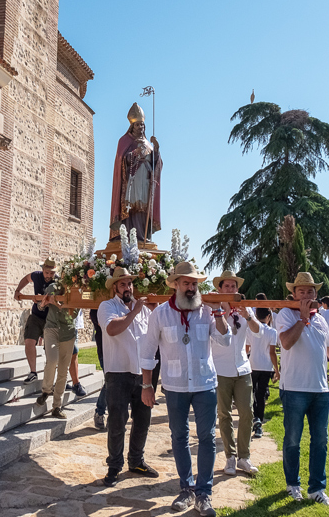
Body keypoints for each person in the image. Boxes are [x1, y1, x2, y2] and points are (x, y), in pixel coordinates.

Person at [140, 262, 231, 517]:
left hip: (204, 385)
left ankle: (204, 494)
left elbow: (225, 339)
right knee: (179, 438)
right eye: (186, 283)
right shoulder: (160, 313)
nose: (191, 288)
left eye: (194, 284)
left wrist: (220, 314)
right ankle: (186, 489)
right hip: (175, 386)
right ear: (176, 285)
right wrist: (146, 385)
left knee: (207, 439)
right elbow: (147, 352)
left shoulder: (207, 312)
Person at [277, 272, 329, 507]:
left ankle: (317, 488)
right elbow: (286, 343)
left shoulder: (321, 319)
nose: (306, 295)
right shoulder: (285, 314)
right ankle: (293, 485)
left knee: (320, 440)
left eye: (310, 291)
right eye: (301, 291)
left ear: (316, 294)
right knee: (293, 440)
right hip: (294, 388)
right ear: (293, 294)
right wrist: (302, 318)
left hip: (320, 389)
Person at [97, 267, 158, 486]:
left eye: (130, 283)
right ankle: (114, 467)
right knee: (117, 422)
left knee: (142, 421)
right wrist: (134, 311)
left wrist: (156, 310)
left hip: (141, 373)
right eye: (122, 284)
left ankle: (136, 461)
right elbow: (113, 329)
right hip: (118, 373)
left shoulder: (143, 309)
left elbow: (156, 332)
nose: (127, 287)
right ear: (115, 288)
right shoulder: (107, 306)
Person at [207, 271, 260, 477]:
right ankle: (230, 456)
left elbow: (256, 330)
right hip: (220, 369)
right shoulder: (211, 310)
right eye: (227, 286)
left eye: (233, 286)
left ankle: (244, 457)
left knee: (247, 412)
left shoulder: (244, 310)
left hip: (243, 367)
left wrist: (247, 315)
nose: (231, 290)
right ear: (219, 289)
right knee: (224, 414)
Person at [109, 103, 162, 242]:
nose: (141, 127)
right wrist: (134, 154)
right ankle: (127, 237)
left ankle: (142, 236)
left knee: (143, 208)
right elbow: (121, 161)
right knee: (131, 208)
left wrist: (156, 150)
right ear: (132, 126)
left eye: (142, 125)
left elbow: (156, 163)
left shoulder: (147, 143)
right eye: (138, 125)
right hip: (131, 181)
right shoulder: (124, 140)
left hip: (144, 180)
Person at [34, 280, 77, 418]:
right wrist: (43, 304)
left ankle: (57, 406)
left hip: (68, 332)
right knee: (52, 360)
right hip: (51, 328)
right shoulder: (52, 287)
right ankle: (46, 391)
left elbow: (73, 314)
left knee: (63, 370)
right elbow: (40, 308)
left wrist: (56, 304)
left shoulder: (77, 292)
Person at [14, 259, 58, 382]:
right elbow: (26, 279)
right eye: (47, 273)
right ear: (42, 270)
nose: (49, 276)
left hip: (51, 319)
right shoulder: (36, 275)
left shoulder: (59, 282)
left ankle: (52, 378)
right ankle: (33, 372)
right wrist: (18, 290)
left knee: (50, 349)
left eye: (51, 273)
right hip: (36, 316)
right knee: (29, 342)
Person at [248, 292, 279, 438]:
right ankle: (258, 420)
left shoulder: (250, 329)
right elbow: (272, 352)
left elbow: (247, 348)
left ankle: (253, 418)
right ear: (268, 316)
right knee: (261, 395)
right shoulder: (272, 332)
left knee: (252, 393)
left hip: (252, 364)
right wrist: (276, 369)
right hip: (266, 366)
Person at [89, 308, 109, 430]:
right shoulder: (96, 310)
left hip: (121, 350)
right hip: (105, 352)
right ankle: (100, 412)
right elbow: (106, 324)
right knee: (110, 383)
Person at [66, 310, 88, 396]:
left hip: (73, 322)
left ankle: (75, 384)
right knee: (73, 351)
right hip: (63, 322)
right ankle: (75, 383)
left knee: (74, 352)